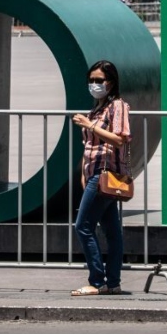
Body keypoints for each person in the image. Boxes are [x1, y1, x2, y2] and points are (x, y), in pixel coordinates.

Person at [70, 60, 131, 296]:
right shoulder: (96, 109)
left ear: (111, 83)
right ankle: (112, 283)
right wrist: (83, 171)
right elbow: (88, 146)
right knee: (112, 231)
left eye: (99, 80)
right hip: (94, 174)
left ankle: (96, 281)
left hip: (105, 174)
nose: (94, 84)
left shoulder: (118, 106)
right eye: (91, 80)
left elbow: (119, 139)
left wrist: (90, 126)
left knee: (83, 226)